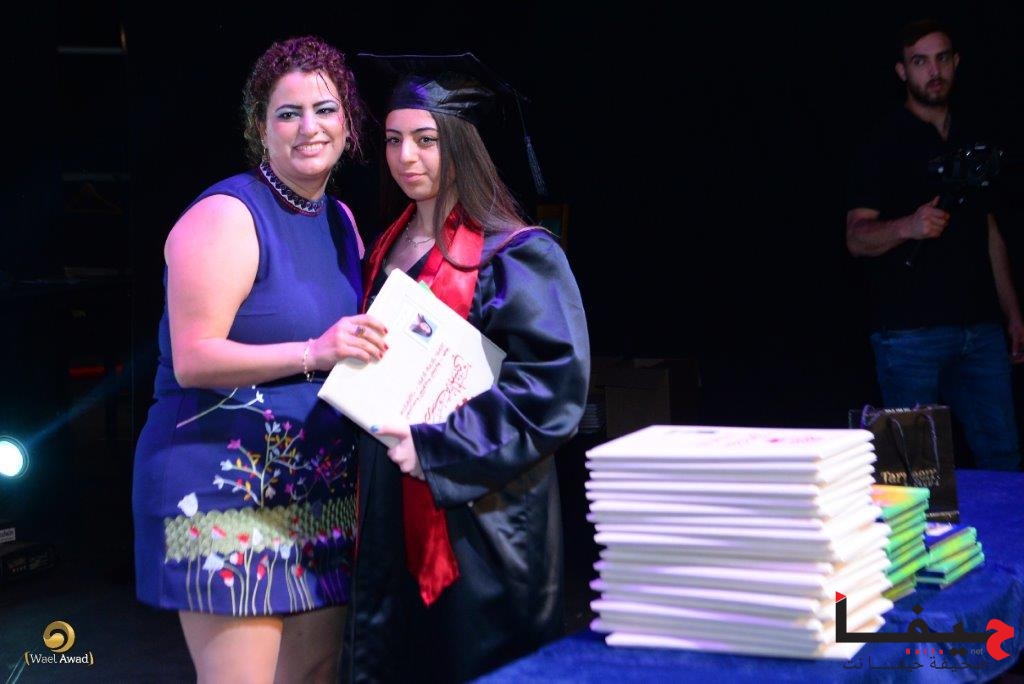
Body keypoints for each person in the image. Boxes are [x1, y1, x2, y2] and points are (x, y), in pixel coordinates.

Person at [131, 35, 387, 682]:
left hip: (318, 483)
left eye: (325, 110)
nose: (309, 128)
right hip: (222, 481)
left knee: (316, 673)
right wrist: (314, 352)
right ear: (260, 128)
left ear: (349, 123)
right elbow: (193, 360)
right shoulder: (225, 215)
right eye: (288, 113)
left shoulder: (341, 220)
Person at [343, 53, 591, 682]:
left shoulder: (516, 255)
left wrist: (438, 448)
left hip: (483, 516)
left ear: (462, 144)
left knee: (471, 660)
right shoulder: (384, 248)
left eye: (426, 140)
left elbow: (549, 392)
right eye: (394, 140)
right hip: (390, 500)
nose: (406, 157)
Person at [846, 18, 1024, 471]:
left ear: (956, 62)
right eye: (920, 61)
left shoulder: (974, 135)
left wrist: (1011, 312)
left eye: (941, 58)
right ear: (902, 71)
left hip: (980, 329)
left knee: (1003, 456)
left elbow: (989, 230)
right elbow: (856, 237)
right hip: (909, 334)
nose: (934, 71)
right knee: (913, 468)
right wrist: (908, 226)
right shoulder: (881, 142)